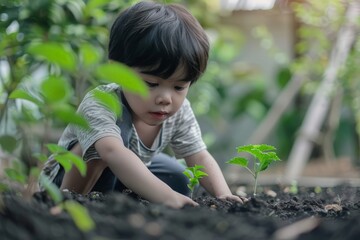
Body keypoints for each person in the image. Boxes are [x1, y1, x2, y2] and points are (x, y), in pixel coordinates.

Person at [39, 1, 244, 209]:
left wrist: (223, 195)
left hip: (119, 177)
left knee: (179, 177)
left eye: (179, 87)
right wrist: (168, 197)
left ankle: (121, 204)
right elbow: (113, 152)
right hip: (61, 183)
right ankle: (70, 203)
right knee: (99, 149)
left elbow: (198, 154)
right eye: (151, 84)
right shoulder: (102, 103)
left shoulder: (179, 111)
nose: (166, 98)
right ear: (118, 70)